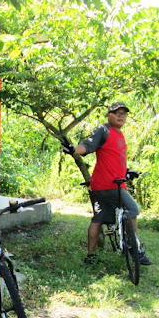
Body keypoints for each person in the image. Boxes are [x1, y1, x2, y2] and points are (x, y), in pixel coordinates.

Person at [62, 102, 152, 266]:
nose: (121, 116)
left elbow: (113, 160)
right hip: (108, 185)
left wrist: (127, 171)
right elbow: (88, 145)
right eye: (117, 112)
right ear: (108, 115)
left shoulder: (119, 135)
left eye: (124, 113)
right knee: (132, 209)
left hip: (105, 184)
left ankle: (91, 256)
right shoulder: (103, 130)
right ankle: (135, 250)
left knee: (99, 219)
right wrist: (74, 150)